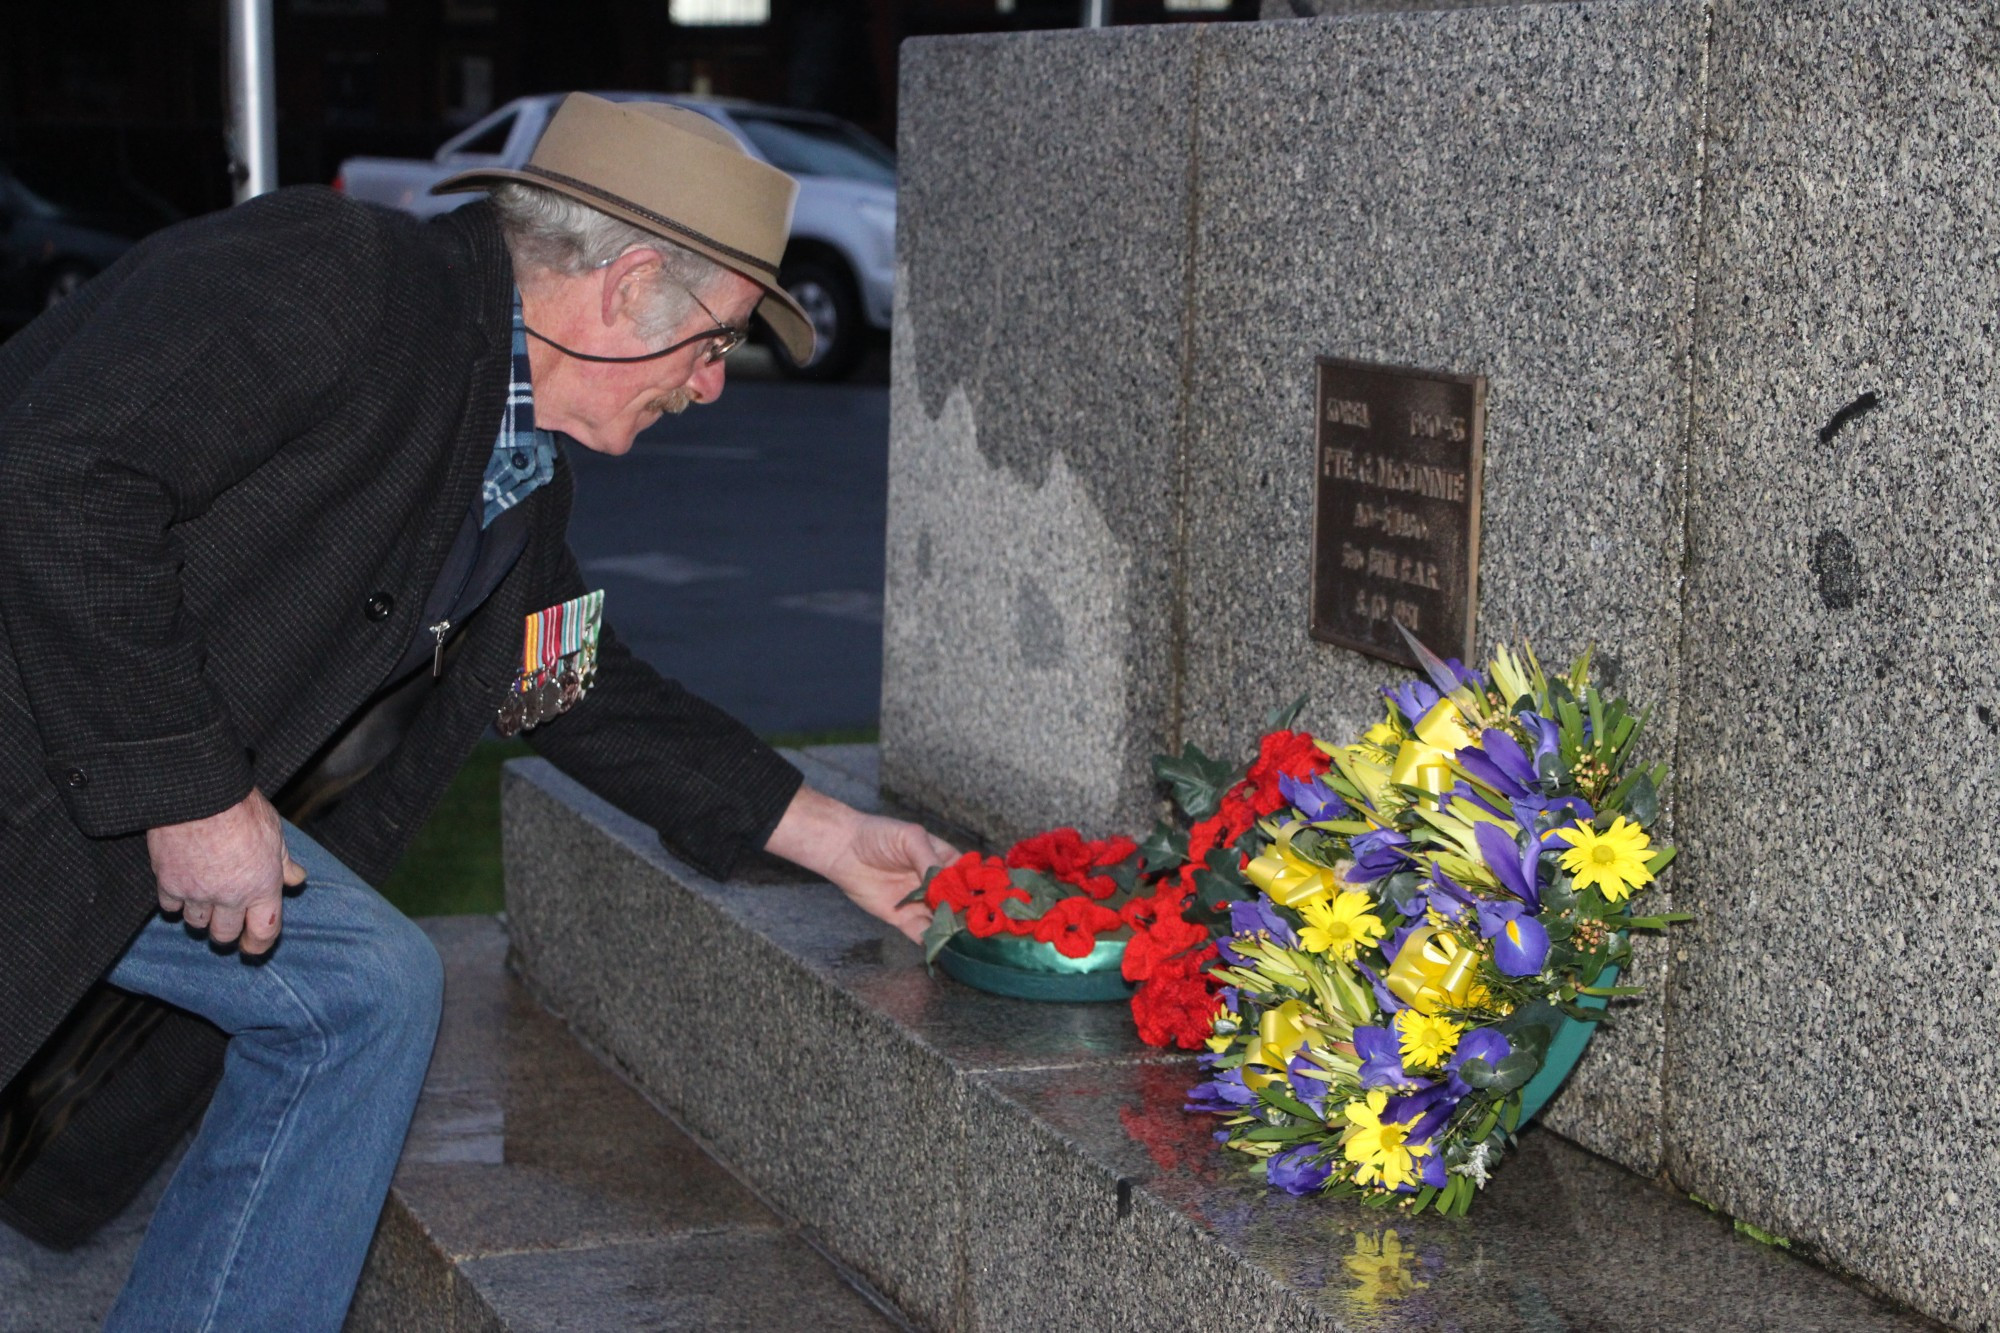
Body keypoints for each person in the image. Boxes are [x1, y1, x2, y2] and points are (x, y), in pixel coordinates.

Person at [0, 93, 946, 1329]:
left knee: (368, 988)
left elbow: (568, 679)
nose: (712, 388)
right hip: (48, 751)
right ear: (627, 286)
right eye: (713, 344)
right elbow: (65, 476)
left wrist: (825, 831)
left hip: (89, 790)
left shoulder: (511, 467)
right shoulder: (336, 277)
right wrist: (183, 786)